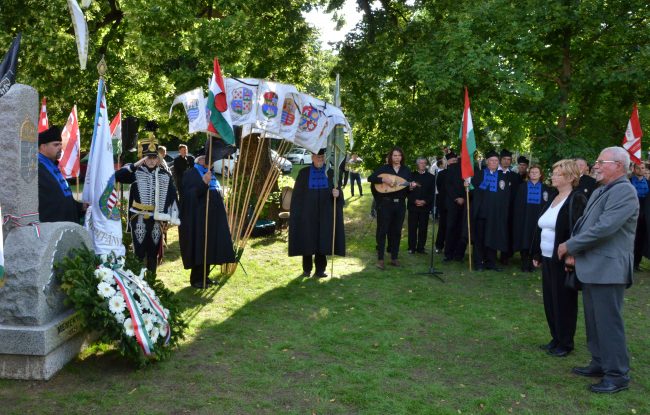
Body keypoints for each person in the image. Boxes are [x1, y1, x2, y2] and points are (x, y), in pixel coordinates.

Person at [558, 146, 639, 394]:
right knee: (594, 321)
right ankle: (600, 363)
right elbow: (584, 224)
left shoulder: (624, 191)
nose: (596, 165)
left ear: (618, 166)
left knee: (608, 323)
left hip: (609, 268)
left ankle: (617, 375)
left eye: (601, 162)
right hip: (593, 266)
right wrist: (575, 251)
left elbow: (604, 228)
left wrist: (570, 246)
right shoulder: (602, 189)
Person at [531, 159, 587, 358]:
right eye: (553, 173)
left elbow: (578, 230)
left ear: (571, 177)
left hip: (563, 259)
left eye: (558, 174)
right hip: (547, 256)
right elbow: (542, 227)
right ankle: (555, 337)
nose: (553, 177)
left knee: (564, 301)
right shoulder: (554, 197)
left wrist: (572, 255)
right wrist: (537, 254)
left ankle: (565, 342)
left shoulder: (576, 198)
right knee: (550, 299)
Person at [115, 133, 180, 273]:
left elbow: (172, 196)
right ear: (143, 158)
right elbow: (117, 176)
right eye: (148, 157)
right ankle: (137, 280)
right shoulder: (135, 172)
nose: (151, 160)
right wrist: (136, 164)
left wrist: (171, 216)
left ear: (158, 158)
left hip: (157, 219)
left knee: (153, 252)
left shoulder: (164, 174)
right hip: (138, 217)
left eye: (154, 157)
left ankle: (151, 279)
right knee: (139, 252)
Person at [179, 154, 235, 289]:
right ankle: (196, 279)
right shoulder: (190, 174)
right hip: (198, 218)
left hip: (212, 217)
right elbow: (188, 195)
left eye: (210, 159)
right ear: (198, 160)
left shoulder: (211, 173)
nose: (208, 161)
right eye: (205, 158)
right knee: (200, 247)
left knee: (209, 246)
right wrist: (203, 182)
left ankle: (205, 277)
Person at [289, 148, 345, 278]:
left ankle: (320, 270)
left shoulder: (331, 173)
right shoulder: (304, 173)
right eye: (317, 157)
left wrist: (338, 194)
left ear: (325, 158)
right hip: (308, 213)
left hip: (325, 213)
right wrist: (299, 213)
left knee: (322, 240)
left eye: (322, 157)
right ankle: (306, 269)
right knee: (307, 240)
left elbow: (338, 194)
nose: (320, 159)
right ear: (312, 157)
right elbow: (297, 195)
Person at [368, 146, 414, 269]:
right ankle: (380, 259)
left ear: (402, 157)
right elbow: (370, 178)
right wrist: (383, 179)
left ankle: (394, 257)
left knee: (397, 231)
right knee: (383, 230)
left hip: (400, 205)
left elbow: (408, 189)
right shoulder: (384, 168)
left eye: (399, 155)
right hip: (385, 204)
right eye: (395, 155)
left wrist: (411, 187)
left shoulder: (406, 170)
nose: (397, 158)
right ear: (391, 157)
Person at [468, 150, 512, 271]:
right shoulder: (479, 175)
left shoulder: (503, 177)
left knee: (493, 238)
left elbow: (506, 196)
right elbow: (472, 192)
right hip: (482, 213)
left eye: (496, 161)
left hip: (496, 214)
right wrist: (468, 186)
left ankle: (491, 262)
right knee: (479, 239)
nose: (494, 162)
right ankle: (479, 262)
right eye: (491, 160)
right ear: (487, 162)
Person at [37, 126, 84, 223]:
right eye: (56, 145)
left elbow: (62, 197)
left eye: (60, 144)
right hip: (51, 225)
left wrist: (80, 206)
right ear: (43, 147)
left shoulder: (53, 166)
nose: (60, 147)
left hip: (65, 224)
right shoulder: (36, 168)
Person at [513, 165, 553, 272]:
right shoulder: (522, 187)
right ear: (528, 174)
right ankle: (524, 262)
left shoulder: (546, 189)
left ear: (540, 175)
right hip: (525, 218)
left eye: (536, 172)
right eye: (532, 172)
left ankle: (533, 262)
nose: (534, 174)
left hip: (538, 219)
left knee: (536, 239)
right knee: (525, 239)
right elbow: (517, 204)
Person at [407, 157, 435, 254]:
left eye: (424, 163)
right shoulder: (411, 176)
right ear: (417, 164)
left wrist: (425, 201)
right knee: (412, 228)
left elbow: (432, 193)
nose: (423, 165)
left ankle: (421, 248)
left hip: (425, 207)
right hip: (413, 206)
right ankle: (411, 247)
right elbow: (407, 191)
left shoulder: (431, 177)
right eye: (421, 163)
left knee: (423, 228)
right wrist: (414, 200)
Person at [443, 152, 467, 262]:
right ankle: (448, 253)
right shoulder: (452, 168)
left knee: (463, 229)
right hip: (453, 203)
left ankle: (459, 254)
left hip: (466, 204)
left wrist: (464, 198)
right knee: (451, 228)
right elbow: (448, 185)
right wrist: (457, 197)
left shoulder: (472, 169)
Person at [498, 149, 520, 265]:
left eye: (509, 159)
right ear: (500, 160)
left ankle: (505, 256)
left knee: (507, 231)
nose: (507, 161)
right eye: (504, 159)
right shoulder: (494, 173)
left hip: (509, 209)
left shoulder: (514, 176)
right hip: (495, 208)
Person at [630, 163, 648, 271]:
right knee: (631, 239)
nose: (641, 170)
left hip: (645, 215)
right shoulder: (629, 182)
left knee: (641, 239)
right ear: (634, 169)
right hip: (631, 213)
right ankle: (629, 262)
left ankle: (636, 262)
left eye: (643, 168)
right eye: (638, 168)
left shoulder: (648, 183)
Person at [434, 158, 448, 253]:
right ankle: (439, 245)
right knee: (442, 225)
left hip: (455, 204)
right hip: (443, 202)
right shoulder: (441, 173)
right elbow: (438, 186)